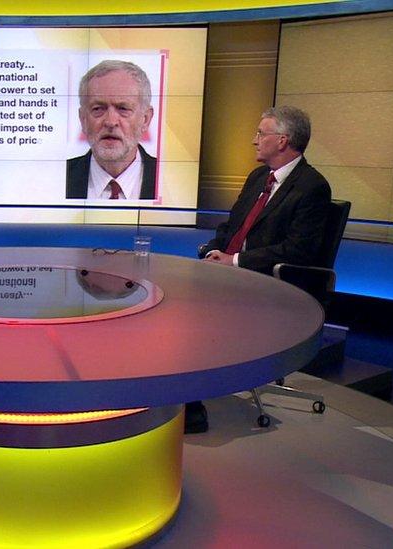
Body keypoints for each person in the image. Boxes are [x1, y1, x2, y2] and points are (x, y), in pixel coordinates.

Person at [189, 105, 332, 433]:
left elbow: (299, 250)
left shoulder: (312, 187)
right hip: (231, 272)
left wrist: (235, 261)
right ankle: (186, 394)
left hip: (272, 282)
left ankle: (193, 406)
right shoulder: (258, 178)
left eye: (260, 133)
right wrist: (216, 248)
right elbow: (232, 226)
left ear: (282, 141)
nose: (254, 140)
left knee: (190, 315)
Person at [66, 60, 157, 200]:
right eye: (98, 109)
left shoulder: (171, 179)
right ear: (83, 119)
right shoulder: (57, 177)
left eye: (123, 109)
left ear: (145, 119)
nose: (110, 122)